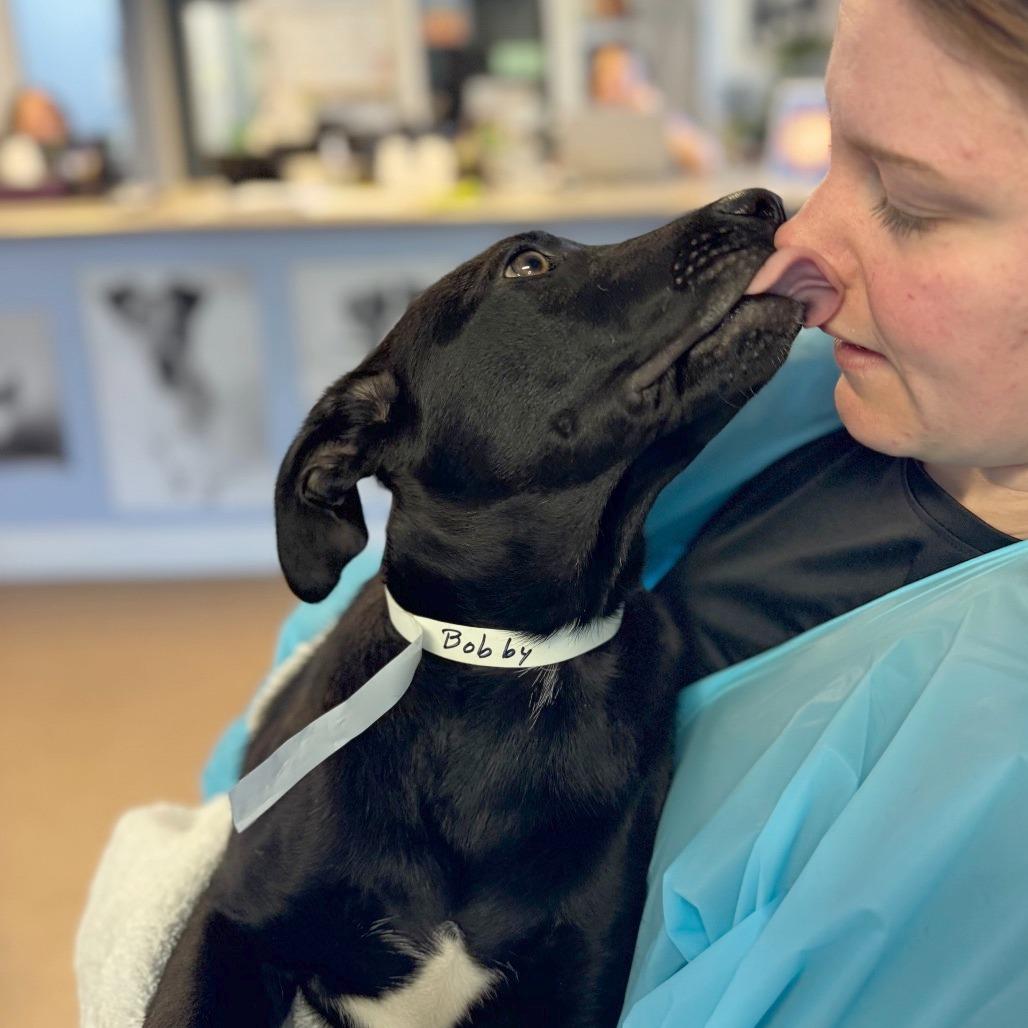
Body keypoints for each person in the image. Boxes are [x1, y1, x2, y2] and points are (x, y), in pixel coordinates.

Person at [77, 0, 1028, 1024]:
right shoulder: (775, 394)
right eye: (833, 155)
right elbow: (246, 797)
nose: (797, 237)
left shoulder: (982, 762)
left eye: (910, 201)